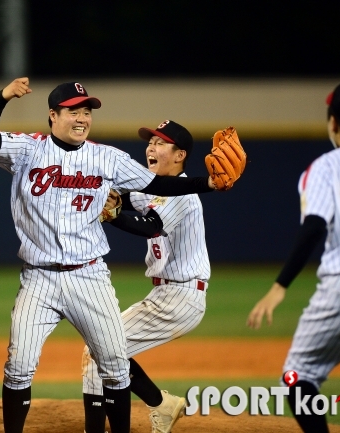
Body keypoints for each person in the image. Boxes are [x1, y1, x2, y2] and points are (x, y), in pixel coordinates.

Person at [0, 78, 234, 433]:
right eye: (73, 111)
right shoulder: (28, 149)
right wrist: (2, 97)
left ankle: (145, 412)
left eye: (87, 111)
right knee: (19, 366)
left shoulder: (105, 157)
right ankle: (157, 405)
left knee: (111, 362)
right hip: (38, 276)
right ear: (53, 115)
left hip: (93, 276)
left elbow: (157, 189)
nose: (82, 118)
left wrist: (207, 184)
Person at [247, 77, 340, 433]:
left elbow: (313, 226)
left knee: (299, 376)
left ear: (333, 122)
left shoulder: (325, 167)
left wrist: (280, 286)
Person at [81, 120, 210, 433]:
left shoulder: (183, 196)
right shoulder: (155, 188)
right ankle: (163, 406)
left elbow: (150, 224)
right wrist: (112, 198)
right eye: (150, 141)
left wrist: (114, 215)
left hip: (180, 297)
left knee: (99, 352)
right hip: (167, 295)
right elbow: (131, 195)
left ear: (180, 155)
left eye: (160, 143)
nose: (151, 147)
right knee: (105, 351)